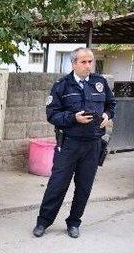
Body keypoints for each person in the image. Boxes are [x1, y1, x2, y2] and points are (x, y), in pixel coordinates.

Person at [33, 47, 117, 239]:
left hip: (93, 145)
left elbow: (111, 104)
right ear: (74, 63)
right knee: (57, 185)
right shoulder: (62, 85)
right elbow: (52, 114)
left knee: (84, 187)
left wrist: (107, 115)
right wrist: (73, 118)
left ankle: (74, 222)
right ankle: (43, 221)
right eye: (84, 62)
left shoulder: (100, 82)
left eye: (91, 62)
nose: (88, 66)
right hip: (69, 144)